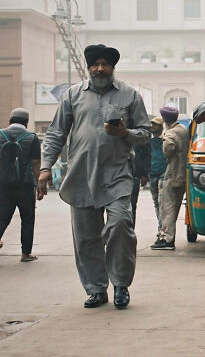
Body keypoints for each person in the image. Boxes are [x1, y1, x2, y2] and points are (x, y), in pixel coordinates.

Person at [38, 44, 150, 309]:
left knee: (121, 225)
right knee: (86, 236)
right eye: (95, 64)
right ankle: (96, 289)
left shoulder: (130, 95)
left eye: (105, 64)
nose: (100, 68)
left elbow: (145, 133)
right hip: (80, 173)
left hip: (118, 173)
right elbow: (56, 133)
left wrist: (125, 134)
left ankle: (121, 284)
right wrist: (45, 167)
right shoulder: (73, 95)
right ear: (89, 67)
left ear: (113, 67)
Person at [0, 108, 41, 262]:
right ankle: (25, 254)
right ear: (27, 122)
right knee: (28, 219)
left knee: (2, 217)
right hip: (25, 187)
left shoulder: (0, 134)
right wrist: (40, 186)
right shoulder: (31, 137)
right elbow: (36, 163)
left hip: (3, 185)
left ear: (10, 121)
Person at [151, 106, 189, 250]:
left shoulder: (171, 133)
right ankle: (167, 237)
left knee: (167, 208)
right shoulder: (184, 130)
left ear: (165, 120)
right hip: (184, 174)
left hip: (172, 175)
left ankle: (167, 239)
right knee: (175, 206)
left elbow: (168, 149)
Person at [148, 116, 167, 232]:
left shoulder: (165, 139)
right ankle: (161, 227)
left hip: (162, 175)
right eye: (152, 124)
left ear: (160, 127)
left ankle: (162, 229)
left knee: (162, 204)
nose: (152, 126)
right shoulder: (148, 141)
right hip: (151, 175)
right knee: (156, 203)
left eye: (155, 124)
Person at [129, 140, 151, 227]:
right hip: (114, 175)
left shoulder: (137, 132)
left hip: (134, 174)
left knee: (132, 206)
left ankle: (130, 232)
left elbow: (146, 154)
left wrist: (144, 174)